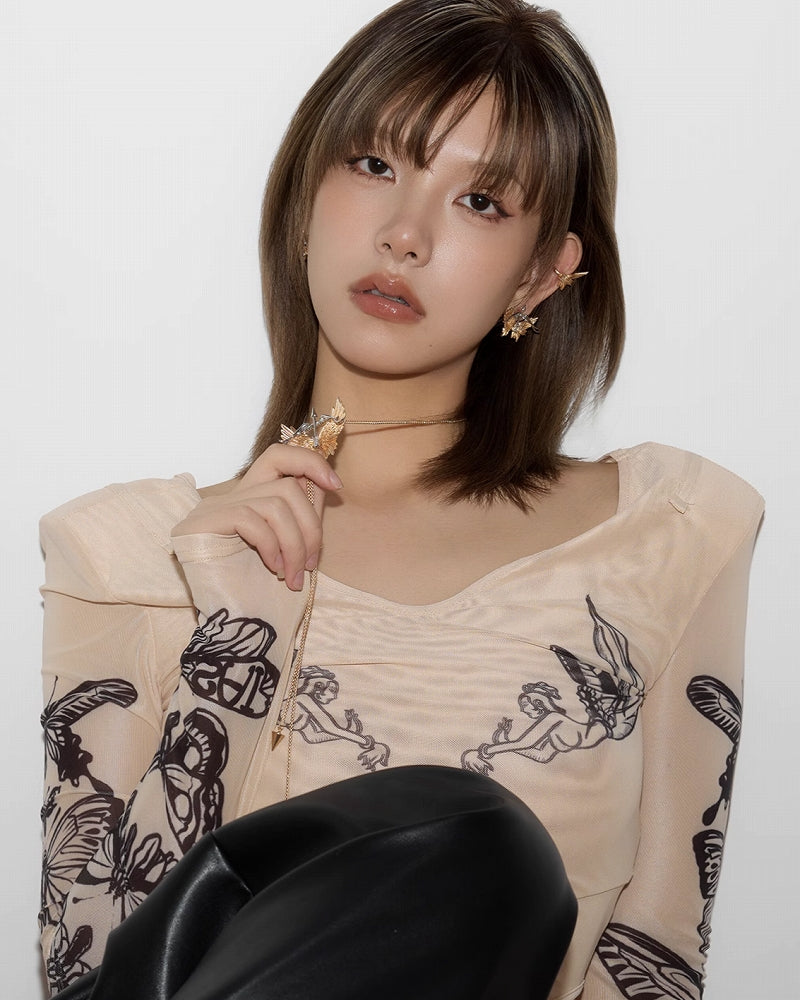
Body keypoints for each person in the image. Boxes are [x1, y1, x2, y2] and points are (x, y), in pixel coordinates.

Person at [38, 1, 764, 998]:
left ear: (540, 275)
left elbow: (658, 957)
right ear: (305, 194)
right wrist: (234, 647)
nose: (404, 236)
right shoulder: (128, 554)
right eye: (375, 164)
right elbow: (88, 980)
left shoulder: (669, 536)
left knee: (489, 845)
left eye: (482, 202)